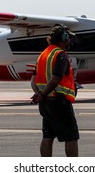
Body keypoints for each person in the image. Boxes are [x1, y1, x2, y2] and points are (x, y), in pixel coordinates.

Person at [30, 25, 79, 157]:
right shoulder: (60, 54)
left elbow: (33, 80)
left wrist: (39, 94)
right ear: (64, 38)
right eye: (68, 38)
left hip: (45, 104)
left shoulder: (42, 55)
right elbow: (55, 79)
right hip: (59, 102)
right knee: (71, 137)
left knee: (48, 136)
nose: (69, 41)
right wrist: (43, 94)